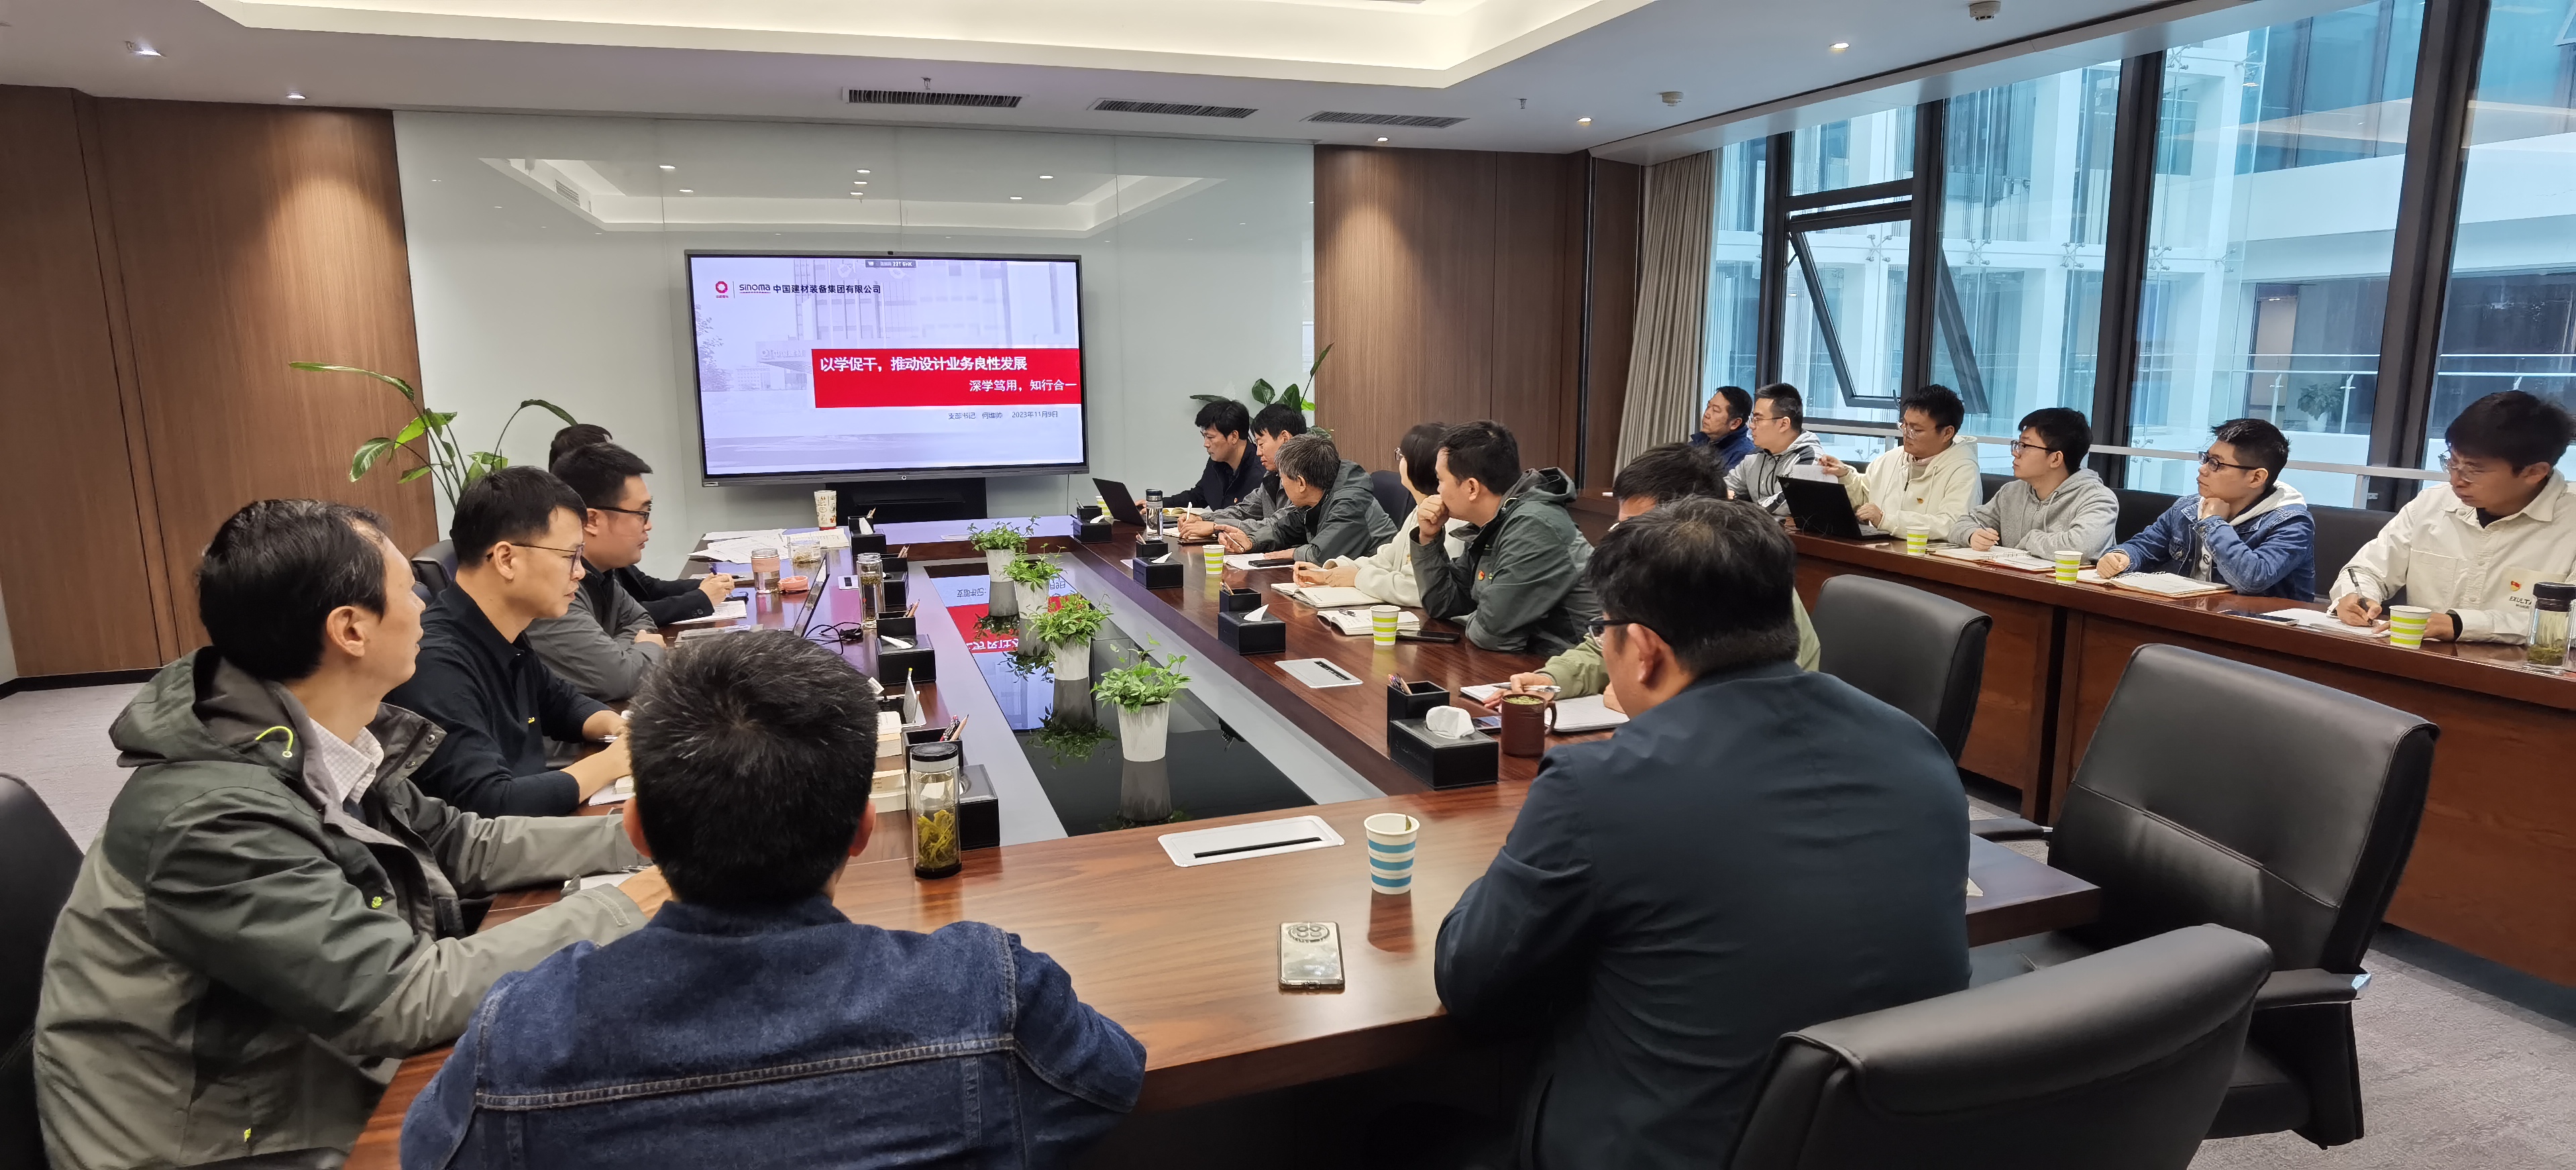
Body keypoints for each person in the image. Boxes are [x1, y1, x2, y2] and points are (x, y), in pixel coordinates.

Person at [36, 500, 666, 1170]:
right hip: (226, 1145)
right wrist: (629, 902)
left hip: (309, 1070)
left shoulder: (317, 737)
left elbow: (462, 843)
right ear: (350, 630)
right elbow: (398, 997)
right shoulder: (211, 817)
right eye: (409, 591)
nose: (425, 608)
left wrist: (659, 836)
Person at [400, 631, 1145, 1169]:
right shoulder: (991, 991)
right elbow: (1113, 1081)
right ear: (863, 831)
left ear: (637, 831)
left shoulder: (517, 1039)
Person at [1436, 497, 1970, 1169]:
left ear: (1645, 651)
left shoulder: (1601, 786)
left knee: (1399, 1129)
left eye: (1603, 629)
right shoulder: (1916, 747)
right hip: (1884, 1140)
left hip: (1663, 1148)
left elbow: (1470, 980)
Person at [1490, 443, 1819, 711]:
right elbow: (1610, 642)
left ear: (1691, 522)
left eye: (1635, 528)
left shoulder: (1751, 583)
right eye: (1621, 525)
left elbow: (1768, 698)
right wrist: (1553, 679)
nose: (1621, 539)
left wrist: (1654, 706)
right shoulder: (1654, 574)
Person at [387, 467, 633, 816]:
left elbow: (561, 703)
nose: (580, 572)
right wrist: (612, 762)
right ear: (506, 559)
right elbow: (490, 802)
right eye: (570, 556)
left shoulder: (500, 630)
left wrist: (620, 727)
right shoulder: (435, 663)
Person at [2334, 390, 2576, 642]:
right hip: (2418, 657)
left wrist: (2464, 625)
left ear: (2534, 472)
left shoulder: (2569, 521)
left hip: (2524, 665)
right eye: (2452, 462)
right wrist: (2356, 595)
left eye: (2474, 469)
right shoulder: (2433, 504)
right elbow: (2366, 570)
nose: (2456, 480)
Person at [1411, 421, 1601, 654]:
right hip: (1534, 663)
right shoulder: (1496, 521)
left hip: (1575, 667)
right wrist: (1428, 537)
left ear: (1472, 488)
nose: (1438, 490)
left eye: (1441, 480)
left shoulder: (1533, 527)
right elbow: (1443, 603)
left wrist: (1481, 615)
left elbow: (1492, 634)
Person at [2100, 418, 2315, 600]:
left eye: (2216, 464)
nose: (2203, 469)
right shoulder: (2187, 508)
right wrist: (2122, 557)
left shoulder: (2292, 523)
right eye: (2206, 458)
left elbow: (2253, 579)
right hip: (2190, 615)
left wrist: (2213, 523)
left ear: (2256, 478)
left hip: (2258, 629)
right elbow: (2144, 547)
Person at [547, 424, 733, 625]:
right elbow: (622, 626)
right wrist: (701, 598)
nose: (649, 525)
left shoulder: (604, 567)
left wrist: (705, 587)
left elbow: (635, 611)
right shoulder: (560, 581)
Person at [527, 442, 667, 701]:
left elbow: (641, 620)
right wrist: (645, 647)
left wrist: (617, 653)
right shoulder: (553, 585)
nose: (648, 525)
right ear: (592, 520)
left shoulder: (601, 573)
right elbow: (619, 679)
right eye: (641, 513)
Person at [1293, 422, 1472, 606]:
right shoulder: (1420, 509)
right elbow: (1386, 558)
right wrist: (1334, 571)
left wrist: (1358, 577)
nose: (1399, 461)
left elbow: (1417, 589)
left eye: (1402, 455)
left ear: (1419, 465)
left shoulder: (1453, 520)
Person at [1950, 407, 2118, 559]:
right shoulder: (2011, 492)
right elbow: (1963, 523)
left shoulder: (2097, 499)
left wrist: (2029, 541)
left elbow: (2081, 548)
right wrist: (1972, 535)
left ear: (2056, 459)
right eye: (2018, 444)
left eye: (2025, 446)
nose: (2016, 453)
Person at [1817, 384, 1983, 538]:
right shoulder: (1892, 458)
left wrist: (1885, 520)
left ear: (1947, 433)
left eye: (1916, 429)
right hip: (1880, 548)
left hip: (1927, 555)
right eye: (1904, 425)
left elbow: (1953, 525)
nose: (1906, 433)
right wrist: (1844, 476)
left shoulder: (1963, 470)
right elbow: (1865, 497)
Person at [1246, 432, 1397, 564]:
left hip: (1379, 578)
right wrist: (1252, 541)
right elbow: (1287, 529)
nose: (1282, 483)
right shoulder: (1319, 495)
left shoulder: (1350, 503)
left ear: (1301, 483)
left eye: (1282, 478)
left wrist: (1294, 553)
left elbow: (1322, 555)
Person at [1183, 403, 1307, 550]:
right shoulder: (1272, 476)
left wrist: (1216, 526)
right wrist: (1202, 519)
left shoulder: (1307, 479)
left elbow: (1278, 524)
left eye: (1261, 444)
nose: (1258, 453)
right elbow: (1243, 510)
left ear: (1285, 439)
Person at [1723, 383, 1825, 514]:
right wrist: (1723, 495)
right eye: (1753, 419)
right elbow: (1727, 487)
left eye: (1758, 419)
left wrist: (1744, 507)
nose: (1751, 426)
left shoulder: (1810, 458)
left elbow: (1790, 500)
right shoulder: (1755, 456)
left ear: (1784, 424)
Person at [1162, 398, 1264, 511]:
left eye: (1210, 437)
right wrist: (1158, 504)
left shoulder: (1261, 474)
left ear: (1234, 437)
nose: (1205, 444)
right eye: (1204, 437)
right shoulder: (1217, 462)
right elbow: (1198, 496)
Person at [1688, 385, 1758, 472]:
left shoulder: (1744, 456)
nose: (1707, 414)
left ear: (1735, 423)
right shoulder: (1701, 441)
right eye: (1708, 406)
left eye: (1715, 410)